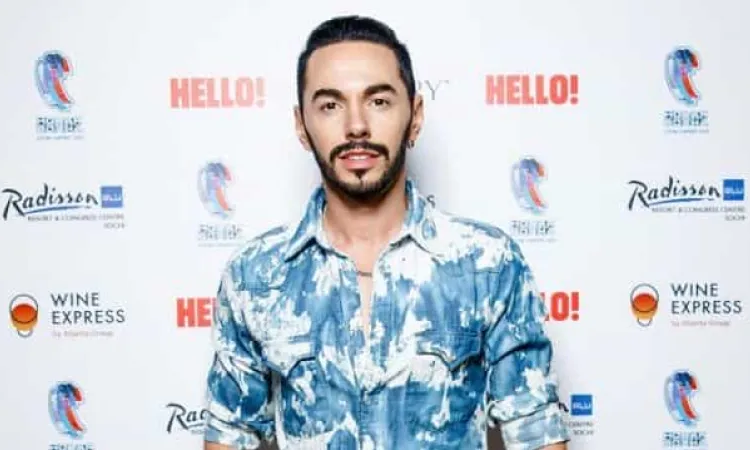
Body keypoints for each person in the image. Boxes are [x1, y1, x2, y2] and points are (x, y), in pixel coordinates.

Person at [203, 15, 570, 450]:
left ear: (415, 116)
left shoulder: (487, 265)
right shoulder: (255, 275)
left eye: (378, 101)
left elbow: (536, 431)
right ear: (301, 125)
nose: (356, 126)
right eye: (330, 105)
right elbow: (229, 435)